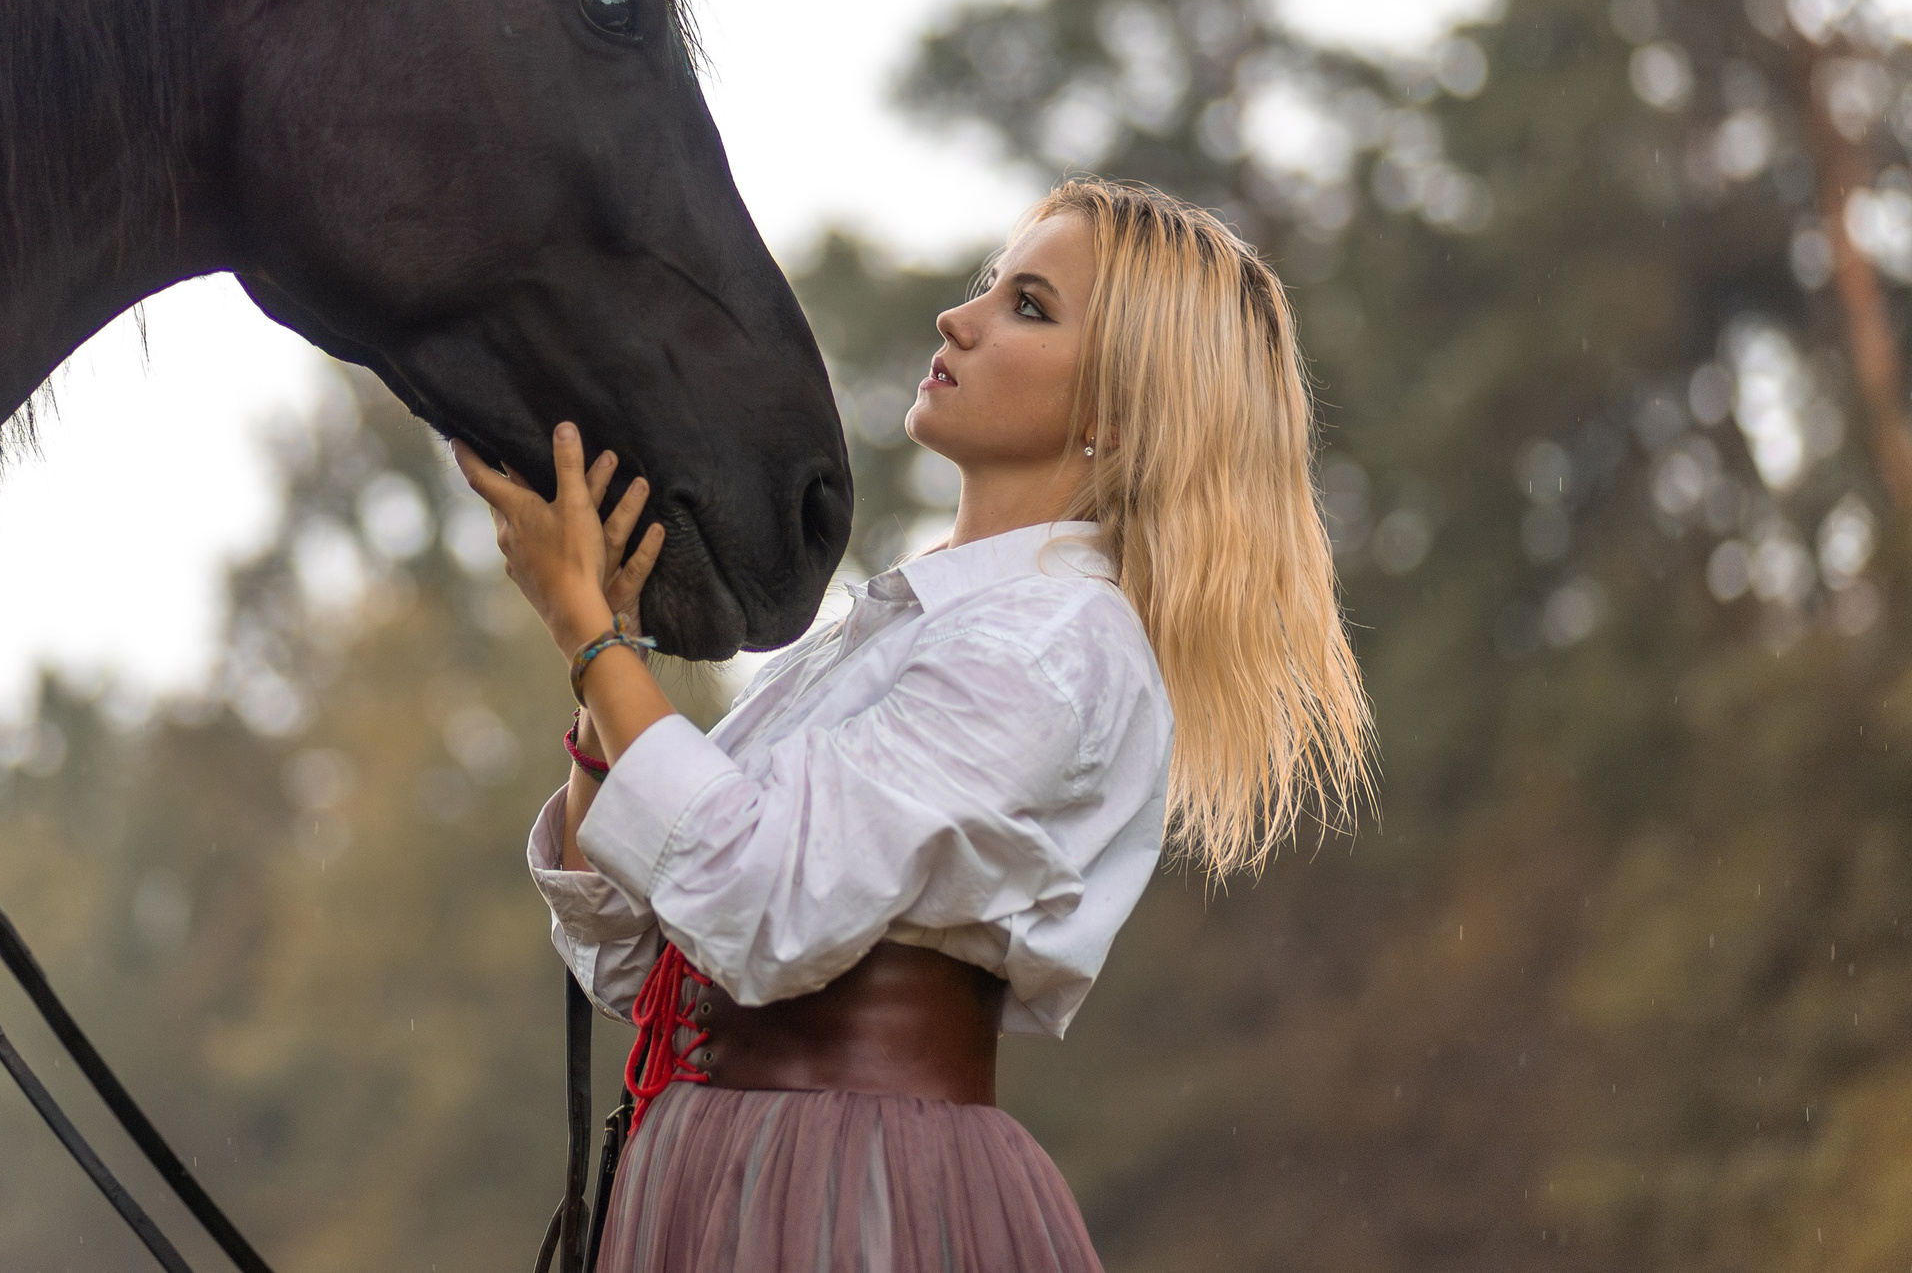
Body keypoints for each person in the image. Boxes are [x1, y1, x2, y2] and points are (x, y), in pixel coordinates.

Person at [455, 177, 1374, 1273]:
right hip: (709, 1161)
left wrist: (591, 643)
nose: (961, 316)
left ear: (1117, 412)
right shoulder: (899, 628)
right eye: (990, 282)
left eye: (1027, 305)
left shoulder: (1048, 647)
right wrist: (607, 658)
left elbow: (754, 899)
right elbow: (628, 948)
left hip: (846, 1181)